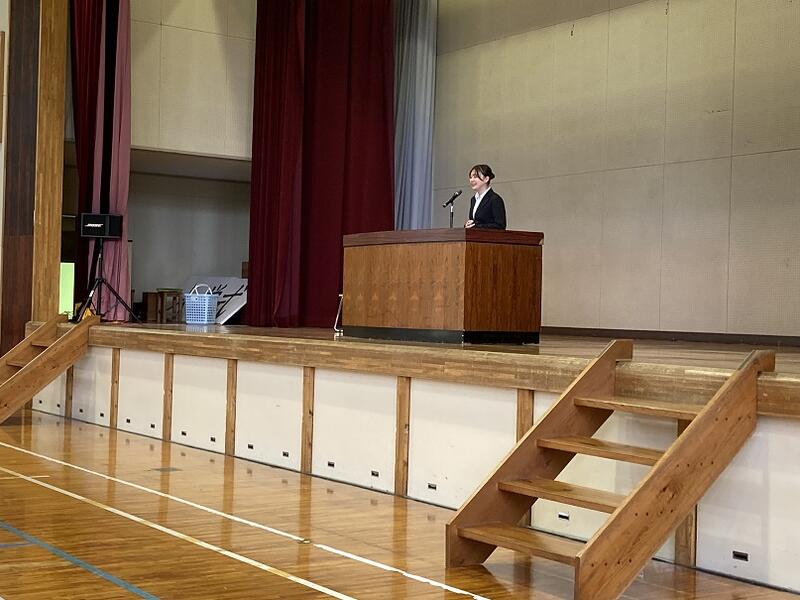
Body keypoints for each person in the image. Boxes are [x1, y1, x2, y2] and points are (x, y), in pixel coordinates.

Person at [465, 164, 506, 230]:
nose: (471, 180)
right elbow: (475, 221)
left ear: (486, 179)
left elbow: (500, 225)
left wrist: (477, 226)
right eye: (470, 177)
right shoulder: (473, 199)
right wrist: (468, 224)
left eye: (475, 176)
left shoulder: (495, 199)